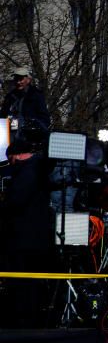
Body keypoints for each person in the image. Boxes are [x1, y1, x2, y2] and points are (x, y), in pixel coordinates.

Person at [0, 138, 55, 327]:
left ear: (17, 155)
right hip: (38, 238)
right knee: (32, 282)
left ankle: (23, 319)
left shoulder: (27, 173)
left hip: (23, 239)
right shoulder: (40, 169)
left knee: (23, 283)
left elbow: (15, 202)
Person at [0, 65, 51, 134]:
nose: (18, 82)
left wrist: (34, 127)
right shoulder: (10, 96)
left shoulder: (36, 95)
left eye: (20, 79)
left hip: (29, 136)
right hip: (10, 134)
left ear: (28, 79)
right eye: (16, 79)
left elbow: (45, 119)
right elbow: (3, 115)